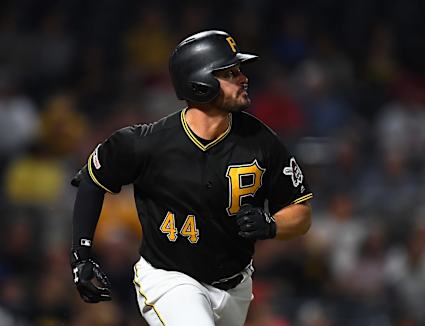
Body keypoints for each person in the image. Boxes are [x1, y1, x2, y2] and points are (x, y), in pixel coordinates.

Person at [70, 30, 313, 326]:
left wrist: (272, 225)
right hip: (170, 279)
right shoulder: (146, 143)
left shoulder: (262, 141)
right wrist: (80, 257)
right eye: (230, 73)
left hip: (236, 287)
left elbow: (301, 212)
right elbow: (92, 181)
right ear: (200, 83)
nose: (243, 78)